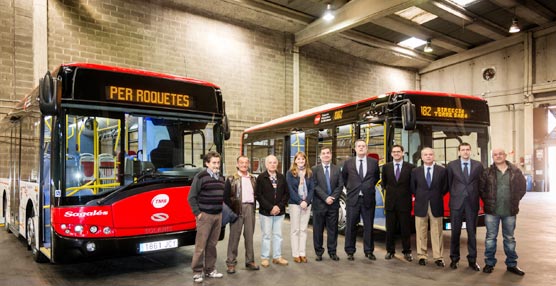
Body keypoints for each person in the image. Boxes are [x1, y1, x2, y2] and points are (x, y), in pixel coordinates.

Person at [480, 147, 526, 276]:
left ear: (505, 155)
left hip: (509, 211)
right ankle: (489, 263)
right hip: (492, 212)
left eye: (500, 154)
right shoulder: (487, 172)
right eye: (495, 154)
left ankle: (512, 265)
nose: (498, 156)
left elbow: (522, 188)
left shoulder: (515, 171)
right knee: (490, 238)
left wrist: (515, 200)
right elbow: (481, 190)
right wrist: (489, 201)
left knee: (509, 238)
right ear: (492, 157)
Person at [187, 151, 226, 283]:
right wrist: (198, 213)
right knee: (201, 246)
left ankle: (210, 270)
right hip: (205, 216)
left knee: (212, 245)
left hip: (217, 216)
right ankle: (197, 272)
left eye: (218, 163)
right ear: (207, 163)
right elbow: (191, 197)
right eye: (214, 163)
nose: (216, 165)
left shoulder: (221, 178)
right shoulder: (200, 176)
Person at [446, 143, 484, 271]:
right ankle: (454, 259)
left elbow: (481, 183)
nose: (465, 152)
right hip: (456, 203)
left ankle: (472, 261)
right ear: (459, 152)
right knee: (455, 232)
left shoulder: (478, 165)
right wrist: (457, 194)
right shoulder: (451, 166)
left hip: (472, 203)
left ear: (471, 151)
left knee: (472, 233)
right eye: (463, 150)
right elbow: (449, 183)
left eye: (468, 149)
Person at [341, 139, 380, 261]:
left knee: (368, 226)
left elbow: (376, 178)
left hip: (368, 198)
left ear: (367, 148)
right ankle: (350, 251)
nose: (361, 148)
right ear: (355, 149)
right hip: (353, 199)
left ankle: (369, 251)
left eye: (363, 146)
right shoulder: (348, 163)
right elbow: (345, 178)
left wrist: (366, 187)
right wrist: (352, 188)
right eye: (359, 146)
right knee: (351, 226)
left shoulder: (374, 163)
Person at [410, 147, 448, 267]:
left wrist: (435, 195)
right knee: (421, 232)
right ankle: (422, 255)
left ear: (434, 156)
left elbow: (445, 187)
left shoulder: (442, 171)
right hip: (421, 204)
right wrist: (422, 196)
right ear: (421, 157)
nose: (428, 156)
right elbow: (412, 188)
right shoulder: (415, 171)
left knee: (437, 232)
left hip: (436, 204)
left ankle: (438, 257)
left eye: (430, 154)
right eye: (425, 155)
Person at [223, 156, 259, 274]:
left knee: (249, 236)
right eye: (241, 162)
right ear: (237, 164)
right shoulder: (231, 179)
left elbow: (257, 194)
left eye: (246, 162)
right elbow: (226, 197)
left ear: (248, 164)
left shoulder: (253, 179)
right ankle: (231, 262)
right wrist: (231, 211)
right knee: (234, 237)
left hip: (250, 208)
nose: (244, 164)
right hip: (236, 210)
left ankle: (250, 261)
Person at [381, 144, 415, 262]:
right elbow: (384, 184)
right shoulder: (386, 167)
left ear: (403, 153)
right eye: (394, 152)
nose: (396, 153)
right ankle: (390, 251)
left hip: (404, 203)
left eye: (398, 151)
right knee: (390, 229)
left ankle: (407, 252)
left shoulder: (411, 167)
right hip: (390, 203)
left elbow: (412, 185)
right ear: (391, 154)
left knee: (405, 229)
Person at [255, 154, 289, 267]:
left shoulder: (281, 177)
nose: (272, 164)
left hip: (279, 212)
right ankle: (264, 257)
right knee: (266, 235)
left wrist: (279, 207)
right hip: (266, 212)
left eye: (274, 162)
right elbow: (259, 195)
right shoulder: (261, 178)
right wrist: (270, 207)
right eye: (270, 162)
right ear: (266, 164)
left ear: (277, 164)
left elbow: (286, 194)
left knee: (278, 235)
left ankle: (277, 257)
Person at [312, 147, 343, 261]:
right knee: (318, 230)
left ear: (331, 155)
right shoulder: (314, 170)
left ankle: (332, 252)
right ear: (320, 156)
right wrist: (325, 198)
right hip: (319, 204)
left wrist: (332, 198)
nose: (326, 155)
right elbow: (314, 186)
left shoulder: (337, 169)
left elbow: (340, 185)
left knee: (333, 230)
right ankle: (319, 252)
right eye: (323, 153)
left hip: (333, 205)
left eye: (328, 153)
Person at [286, 151, 315, 263]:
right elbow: (290, 190)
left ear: (305, 160)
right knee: (295, 230)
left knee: (303, 229)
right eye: (298, 159)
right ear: (295, 161)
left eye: (302, 159)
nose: (301, 161)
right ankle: (295, 254)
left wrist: (307, 202)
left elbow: (312, 188)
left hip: (306, 204)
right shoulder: (290, 173)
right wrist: (299, 201)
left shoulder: (309, 173)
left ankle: (302, 253)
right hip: (294, 204)